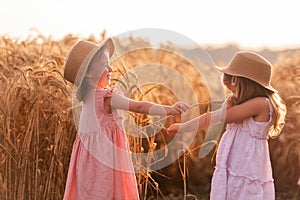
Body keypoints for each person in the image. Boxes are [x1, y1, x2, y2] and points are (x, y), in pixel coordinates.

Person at [63, 38, 189, 200]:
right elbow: (139, 106)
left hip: (86, 165)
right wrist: (169, 110)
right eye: (104, 64)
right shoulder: (106, 98)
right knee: (107, 192)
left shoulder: (86, 98)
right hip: (105, 162)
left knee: (89, 193)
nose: (111, 68)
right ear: (88, 73)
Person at [167, 51, 287, 200]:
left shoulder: (261, 103)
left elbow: (221, 117)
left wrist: (184, 127)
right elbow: (219, 117)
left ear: (238, 80)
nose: (231, 90)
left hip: (246, 166)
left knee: (244, 193)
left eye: (233, 84)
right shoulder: (249, 103)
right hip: (235, 163)